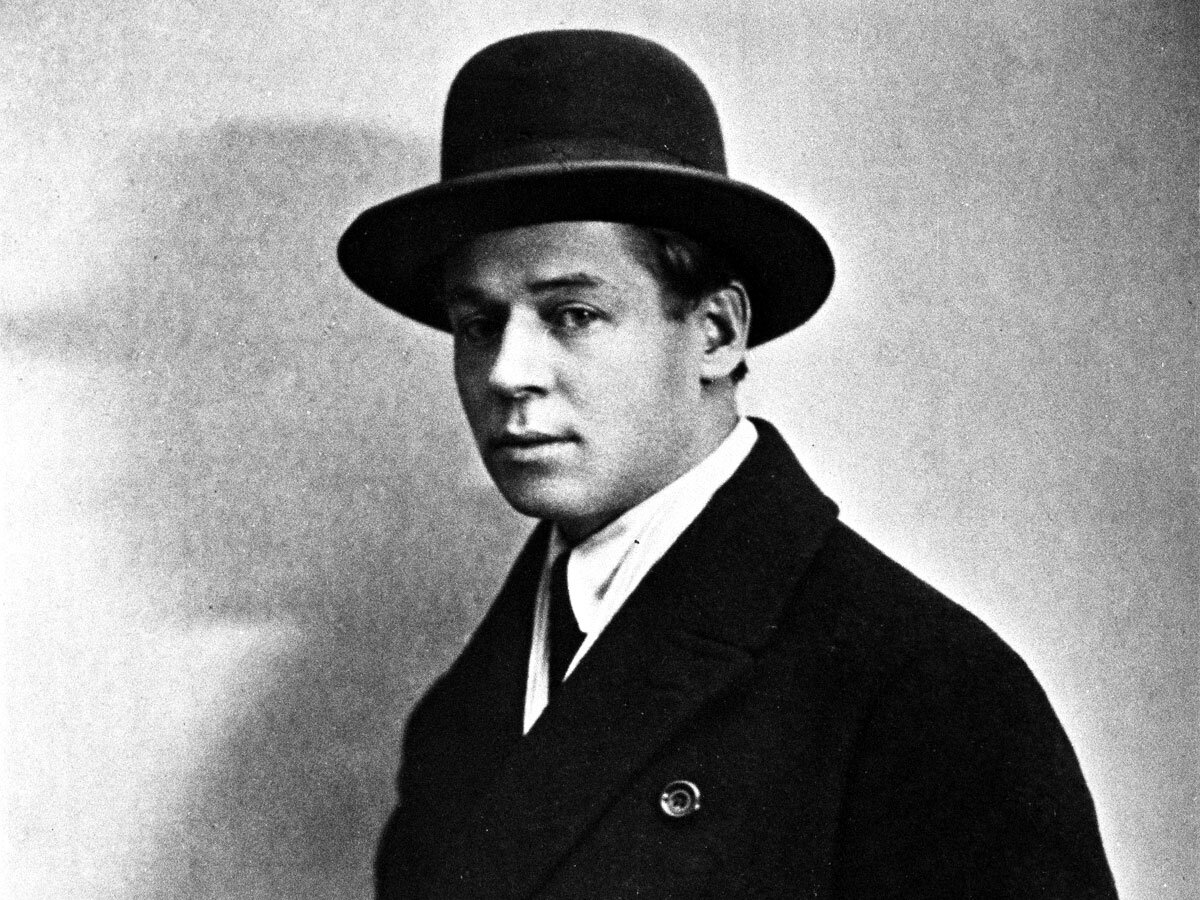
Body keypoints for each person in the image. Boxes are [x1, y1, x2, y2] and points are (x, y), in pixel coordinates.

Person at [338, 29, 1118, 900]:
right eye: (479, 324)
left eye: (573, 314)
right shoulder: (456, 718)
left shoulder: (928, 693)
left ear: (716, 332)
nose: (506, 372)